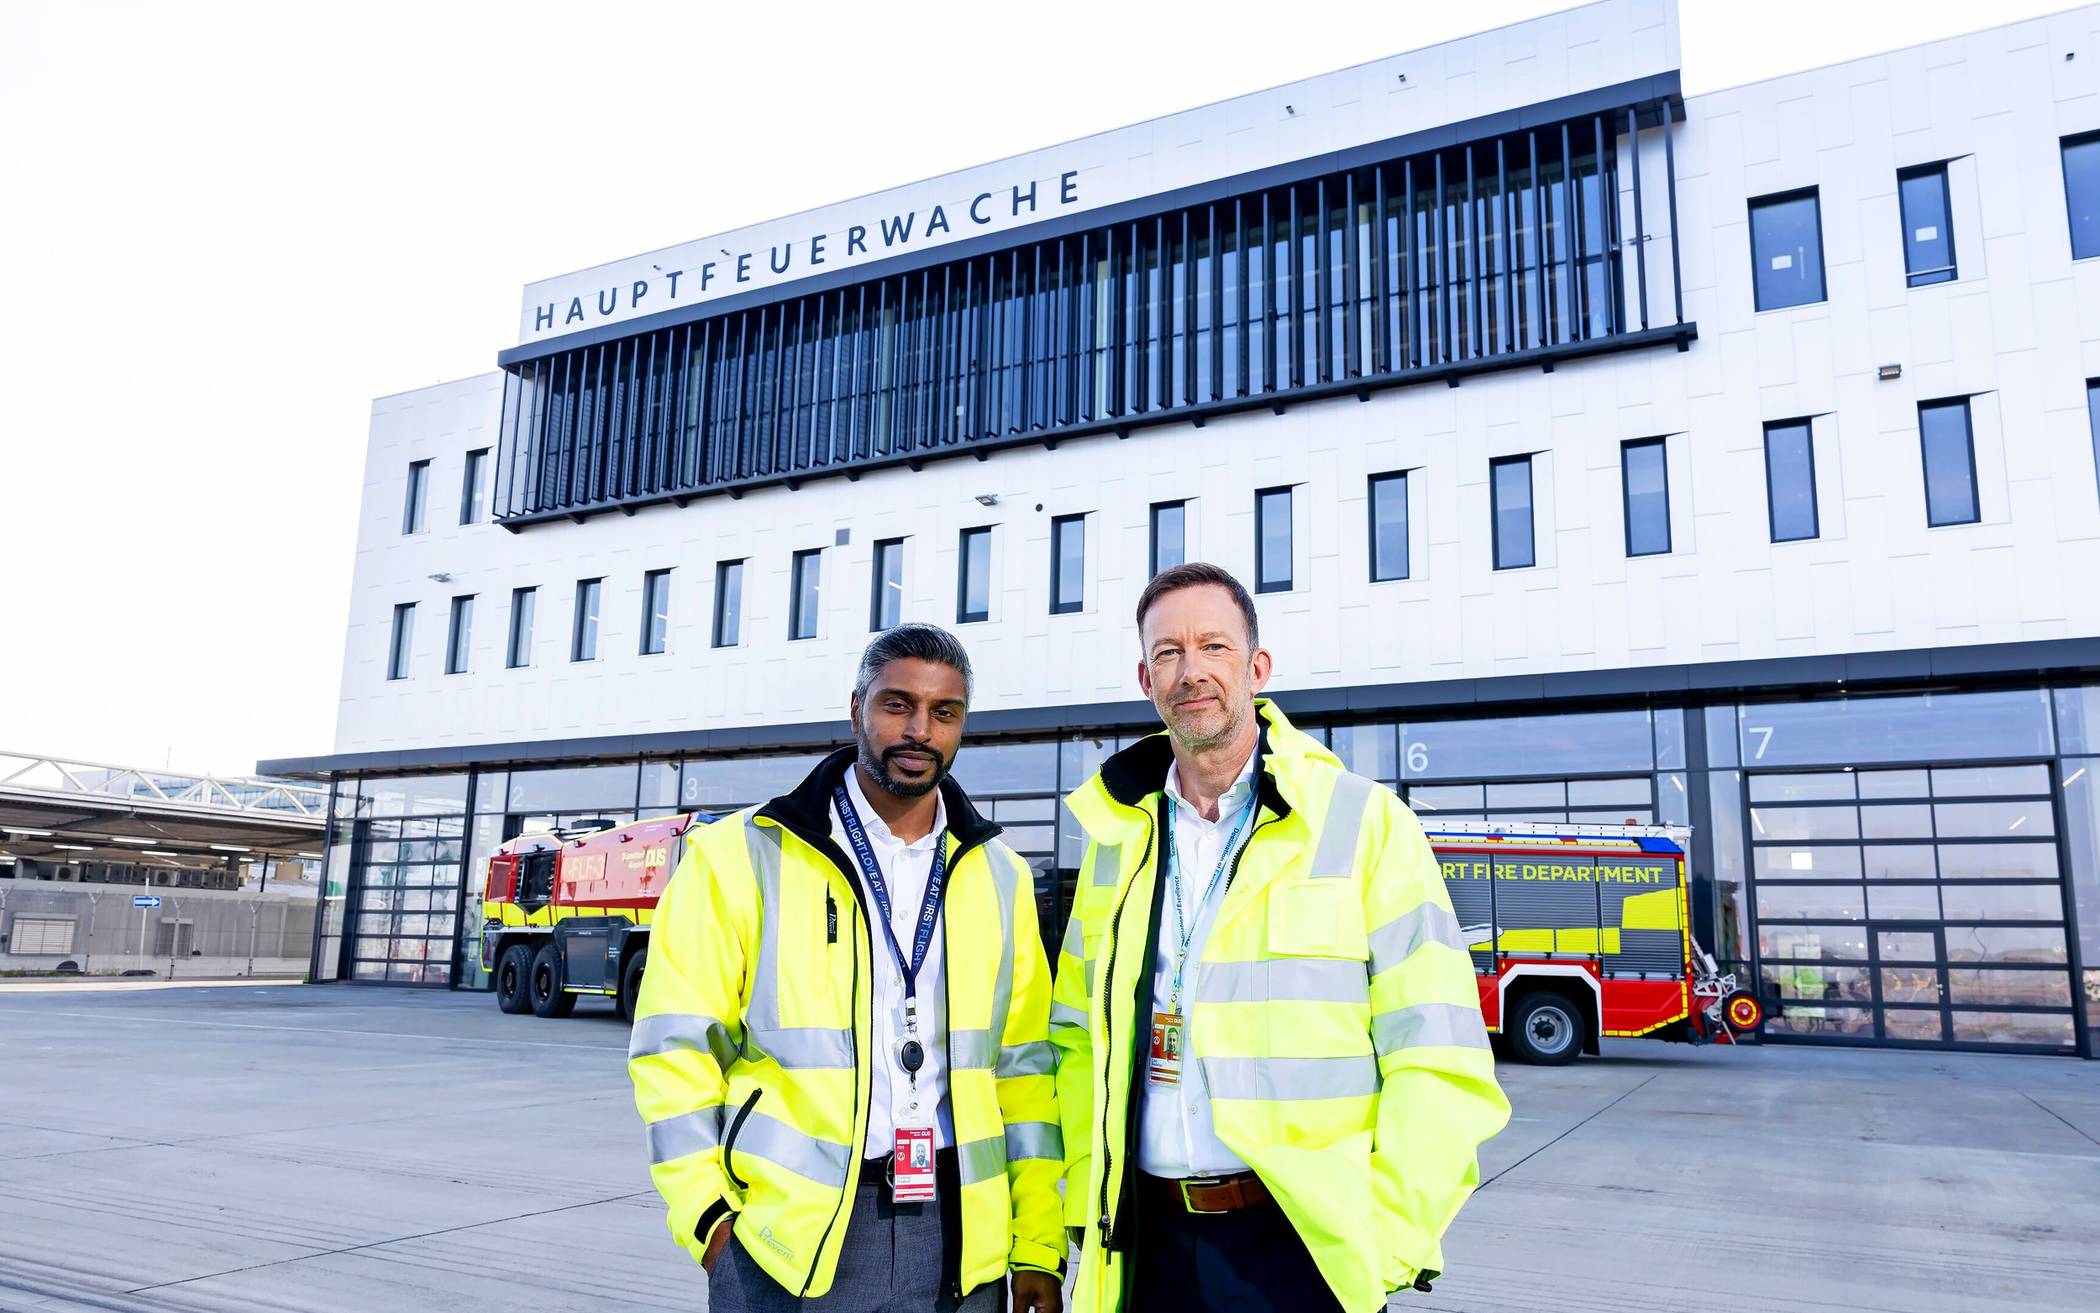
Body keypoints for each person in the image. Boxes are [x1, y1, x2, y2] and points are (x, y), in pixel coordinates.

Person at [1049, 563, 1511, 1312]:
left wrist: (1385, 1241)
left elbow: (1439, 1052)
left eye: (1214, 646)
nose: (1191, 671)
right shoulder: (1116, 838)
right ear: (1145, 678)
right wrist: (1085, 1199)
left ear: (1257, 668)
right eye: (1168, 652)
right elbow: (1074, 1040)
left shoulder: (1364, 821)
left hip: (1301, 1251)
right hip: (1144, 1243)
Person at [630, 623, 1065, 1312]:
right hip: (788, 1240)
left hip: (963, 1234)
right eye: (898, 704)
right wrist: (708, 1217)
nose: (919, 730)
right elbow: (673, 1049)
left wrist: (1036, 1240)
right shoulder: (739, 855)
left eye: (944, 712)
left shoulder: (1000, 874)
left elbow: (1024, 1070)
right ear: (857, 707)